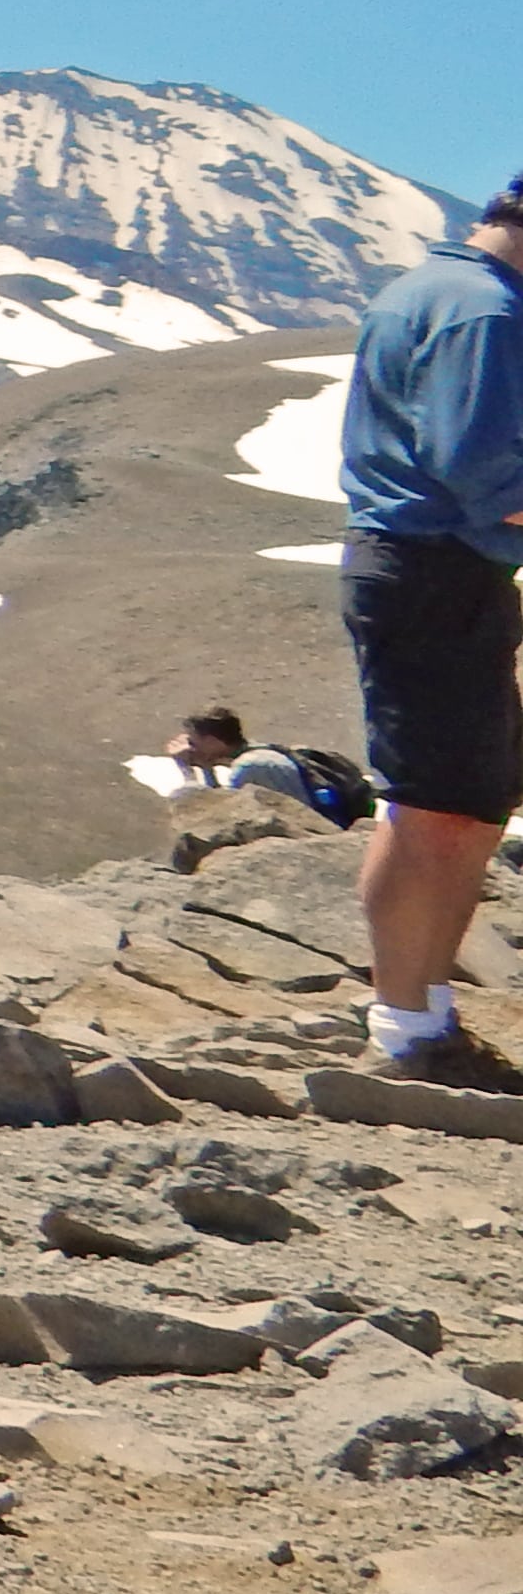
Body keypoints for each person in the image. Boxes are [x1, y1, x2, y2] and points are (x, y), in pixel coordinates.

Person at [332, 173, 523, 1086]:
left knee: (467, 802)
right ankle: (406, 1029)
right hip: (432, 571)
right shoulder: (484, 311)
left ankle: (424, 1017)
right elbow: (483, 472)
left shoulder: (437, 290)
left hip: (433, 571)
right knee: (437, 806)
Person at [166, 706, 373, 826]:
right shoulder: (263, 751)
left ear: (213, 741)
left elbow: (222, 815)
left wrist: (186, 771)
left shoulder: (249, 768)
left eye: (193, 742)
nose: (190, 748)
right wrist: (206, 768)